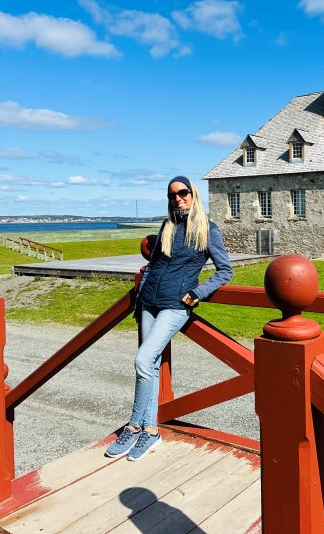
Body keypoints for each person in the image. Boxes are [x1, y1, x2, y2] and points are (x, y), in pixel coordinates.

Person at [105, 175, 233, 461]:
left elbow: (225, 270)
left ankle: (134, 424)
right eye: (173, 195)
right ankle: (150, 432)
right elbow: (153, 264)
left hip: (175, 305)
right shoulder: (168, 225)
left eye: (183, 192)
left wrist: (199, 292)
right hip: (149, 301)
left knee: (142, 359)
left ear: (193, 194)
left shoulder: (208, 229)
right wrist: (140, 299)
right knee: (147, 364)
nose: (179, 198)